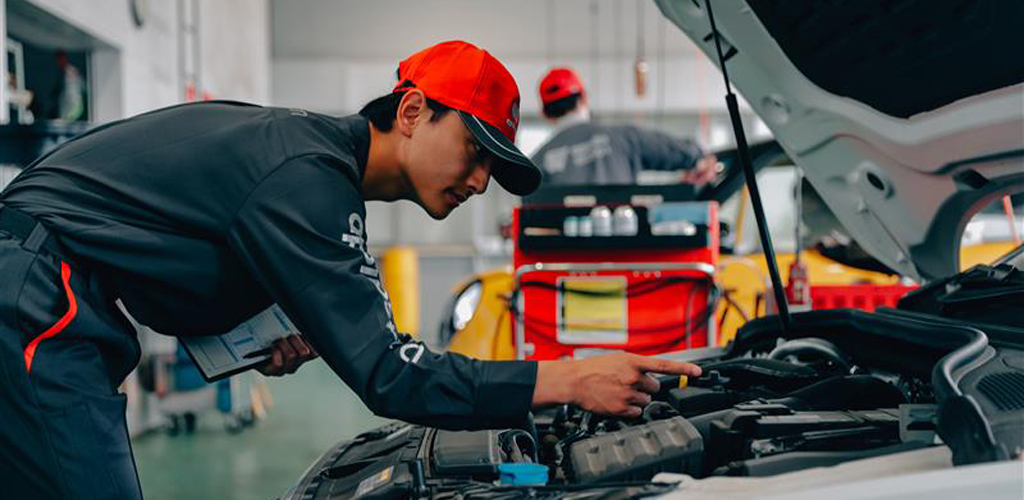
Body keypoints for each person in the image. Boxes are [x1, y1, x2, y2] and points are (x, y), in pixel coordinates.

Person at [0, 40, 701, 499]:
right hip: (34, 287)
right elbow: (392, 375)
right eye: (475, 151)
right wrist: (570, 378)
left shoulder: (308, 160)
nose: (481, 181)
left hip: (44, 284)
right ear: (415, 109)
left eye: (496, 166)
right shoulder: (309, 176)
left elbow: (164, 278)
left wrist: (254, 331)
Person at [532, 66, 718, 186]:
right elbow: (673, 150)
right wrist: (699, 157)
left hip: (560, 248)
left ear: (546, 114)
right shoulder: (623, 137)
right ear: (584, 99)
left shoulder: (536, 162)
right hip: (623, 245)